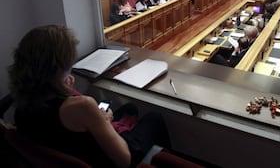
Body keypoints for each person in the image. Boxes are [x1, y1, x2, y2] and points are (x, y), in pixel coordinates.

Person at [8, 25, 170, 168]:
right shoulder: (83, 106)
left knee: (130, 108)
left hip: (69, 151)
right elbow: (124, 160)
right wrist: (103, 121)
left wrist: (63, 88)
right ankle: (163, 160)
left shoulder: (20, 103)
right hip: (107, 159)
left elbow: (55, 126)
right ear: (59, 68)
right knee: (154, 119)